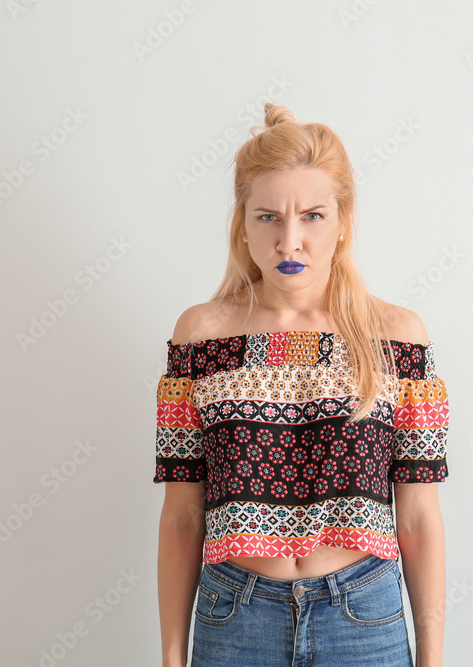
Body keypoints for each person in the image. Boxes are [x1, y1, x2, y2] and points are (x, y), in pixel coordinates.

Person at [154, 102, 449, 667]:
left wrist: (432, 658)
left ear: (343, 223)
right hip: (234, 617)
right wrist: (172, 658)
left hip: (364, 616)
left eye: (312, 216)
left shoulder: (397, 338)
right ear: (242, 223)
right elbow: (183, 514)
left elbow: (418, 515)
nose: (290, 241)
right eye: (268, 217)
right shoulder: (199, 337)